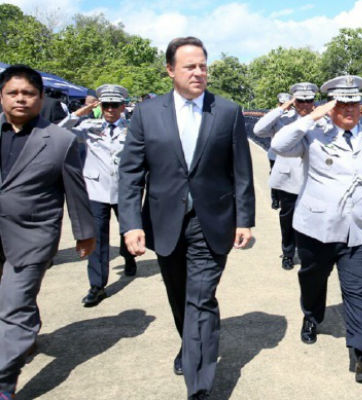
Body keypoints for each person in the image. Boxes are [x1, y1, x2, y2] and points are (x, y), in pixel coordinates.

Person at [118, 37, 255, 399]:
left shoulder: (227, 111)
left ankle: (199, 386)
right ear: (170, 70)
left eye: (203, 66)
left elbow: (241, 171)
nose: (198, 72)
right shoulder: (147, 114)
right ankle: (189, 344)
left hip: (212, 221)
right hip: (165, 221)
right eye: (190, 66)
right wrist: (131, 223)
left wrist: (245, 219)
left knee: (201, 298)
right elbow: (130, 174)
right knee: (179, 296)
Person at [271, 75, 362, 383]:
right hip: (316, 227)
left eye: (354, 104)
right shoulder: (312, 134)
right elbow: (277, 144)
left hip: (361, 229)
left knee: (359, 291)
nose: (349, 110)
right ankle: (311, 315)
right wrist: (311, 117)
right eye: (342, 104)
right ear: (330, 106)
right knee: (313, 280)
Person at [0, 65, 96, 399]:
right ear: (2, 96)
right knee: (11, 304)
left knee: (15, 304)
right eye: (13, 93)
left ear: (41, 98)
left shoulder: (59, 141)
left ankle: (3, 382)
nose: (21, 100)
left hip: (32, 235)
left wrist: (85, 234)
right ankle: (23, 337)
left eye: (28, 93)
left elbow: (75, 190)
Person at [58, 84, 138, 307]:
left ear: (123, 106)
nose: (110, 110)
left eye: (115, 105)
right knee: (98, 239)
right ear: (100, 106)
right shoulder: (89, 126)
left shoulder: (132, 129)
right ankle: (97, 286)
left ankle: (128, 256)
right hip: (96, 190)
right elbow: (58, 132)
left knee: (128, 230)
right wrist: (78, 114)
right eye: (106, 105)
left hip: (124, 190)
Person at [254, 83, 316, 270]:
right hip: (289, 179)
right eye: (300, 100)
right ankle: (288, 253)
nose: (305, 104)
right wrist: (281, 109)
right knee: (288, 219)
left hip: (313, 179)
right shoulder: (284, 119)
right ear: (294, 101)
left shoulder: (319, 120)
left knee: (312, 219)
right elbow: (258, 130)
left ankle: (308, 253)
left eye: (309, 100)